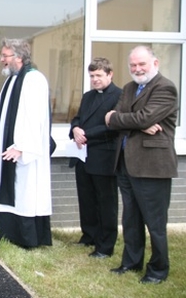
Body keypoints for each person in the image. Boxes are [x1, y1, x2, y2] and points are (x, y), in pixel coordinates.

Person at [105, 46, 177, 284]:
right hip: (125, 163)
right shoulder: (128, 87)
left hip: (152, 166)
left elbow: (134, 117)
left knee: (155, 223)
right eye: (133, 65)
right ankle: (131, 263)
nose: (137, 69)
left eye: (142, 64)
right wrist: (136, 122)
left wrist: (126, 119)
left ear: (155, 63)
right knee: (131, 218)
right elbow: (113, 118)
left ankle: (158, 270)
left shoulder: (165, 87)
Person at [0, 38, 52, 248]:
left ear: (19, 57)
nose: (2, 59)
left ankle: (27, 238)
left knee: (25, 191)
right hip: (8, 146)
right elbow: (2, 113)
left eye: (5, 56)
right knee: (13, 189)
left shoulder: (34, 79)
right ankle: (8, 233)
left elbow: (35, 117)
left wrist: (22, 146)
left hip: (24, 150)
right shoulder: (12, 80)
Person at [69, 57, 122, 258]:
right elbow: (77, 118)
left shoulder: (119, 95)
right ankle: (89, 236)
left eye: (99, 75)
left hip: (104, 156)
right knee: (87, 199)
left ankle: (105, 245)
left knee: (106, 202)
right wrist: (75, 129)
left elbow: (114, 125)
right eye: (92, 76)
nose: (95, 80)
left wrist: (86, 135)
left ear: (110, 74)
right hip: (83, 155)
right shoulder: (88, 96)